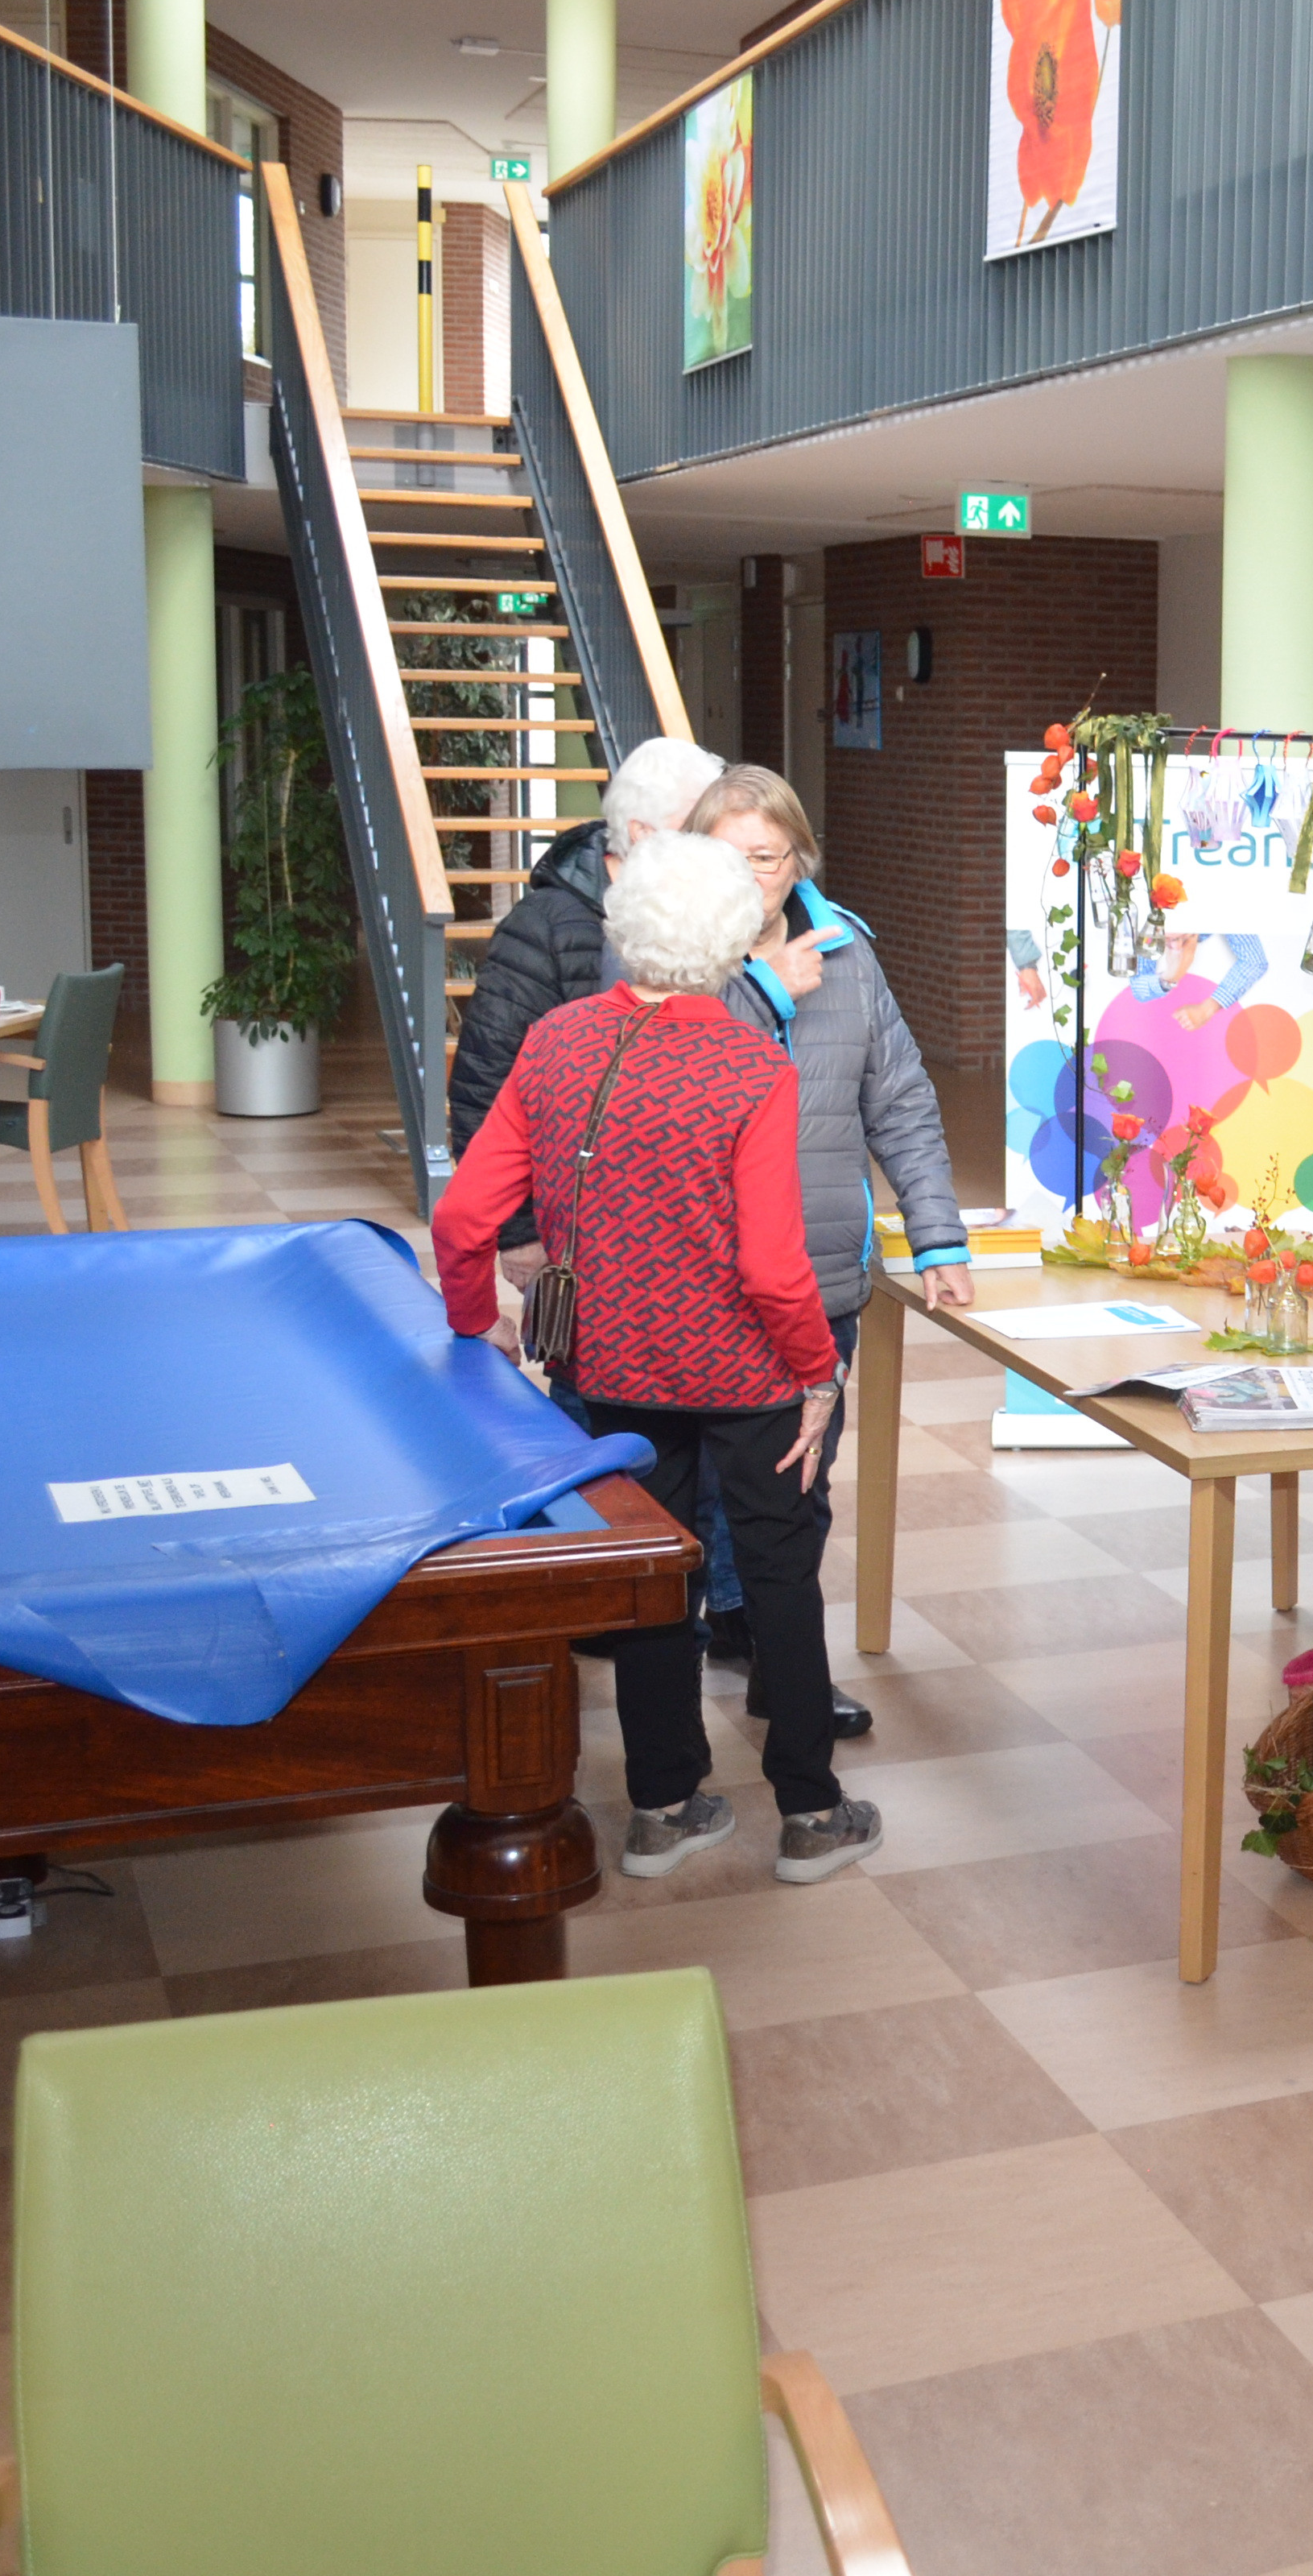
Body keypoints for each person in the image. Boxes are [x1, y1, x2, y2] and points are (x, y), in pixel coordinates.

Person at [431, 829, 886, 1888]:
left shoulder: (556, 1042)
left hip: (608, 1365)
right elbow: (772, 1265)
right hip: (747, 1373)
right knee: (778, 1570)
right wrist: (815, 1372)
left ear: (626, 926)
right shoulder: (752, 1065)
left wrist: (475, 1319)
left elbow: (462, 1219)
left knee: (648, 1580)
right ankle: (812, 1814)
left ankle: (662, 1808)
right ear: (734, 939)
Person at [682, 766, 981, 1737]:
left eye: (766, 858)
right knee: (700, 1487)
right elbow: (675, 1084)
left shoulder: (847, 955)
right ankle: (708, 1650)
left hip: (817, 1277)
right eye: (725, 859)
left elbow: (899, 1101)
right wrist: (765, 989)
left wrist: (935, 1234)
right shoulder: (669, 954)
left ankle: (782, 1672)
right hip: (699, 1279)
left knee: (799, 1487)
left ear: (799, 861)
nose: (747, 878)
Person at [448, 734, 729, 1262]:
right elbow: (484, 1081)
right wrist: (518, 1233)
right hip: (571, 1231)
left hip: (678, 1233)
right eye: (698, 825)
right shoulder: (545, 925)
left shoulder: (710, 913)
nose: (715, 842)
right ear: (642, 832)